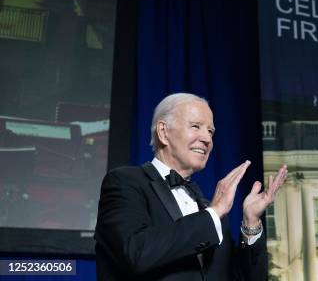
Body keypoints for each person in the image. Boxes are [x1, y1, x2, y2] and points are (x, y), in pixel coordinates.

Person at [95, 93, 288, 280]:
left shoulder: (210, 210)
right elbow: (135, 254)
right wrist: (214, 213)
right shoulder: (125, 182)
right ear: (163, 132)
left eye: (210, 131)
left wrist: (250, 223)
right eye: (196, 126)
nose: (207, 139)